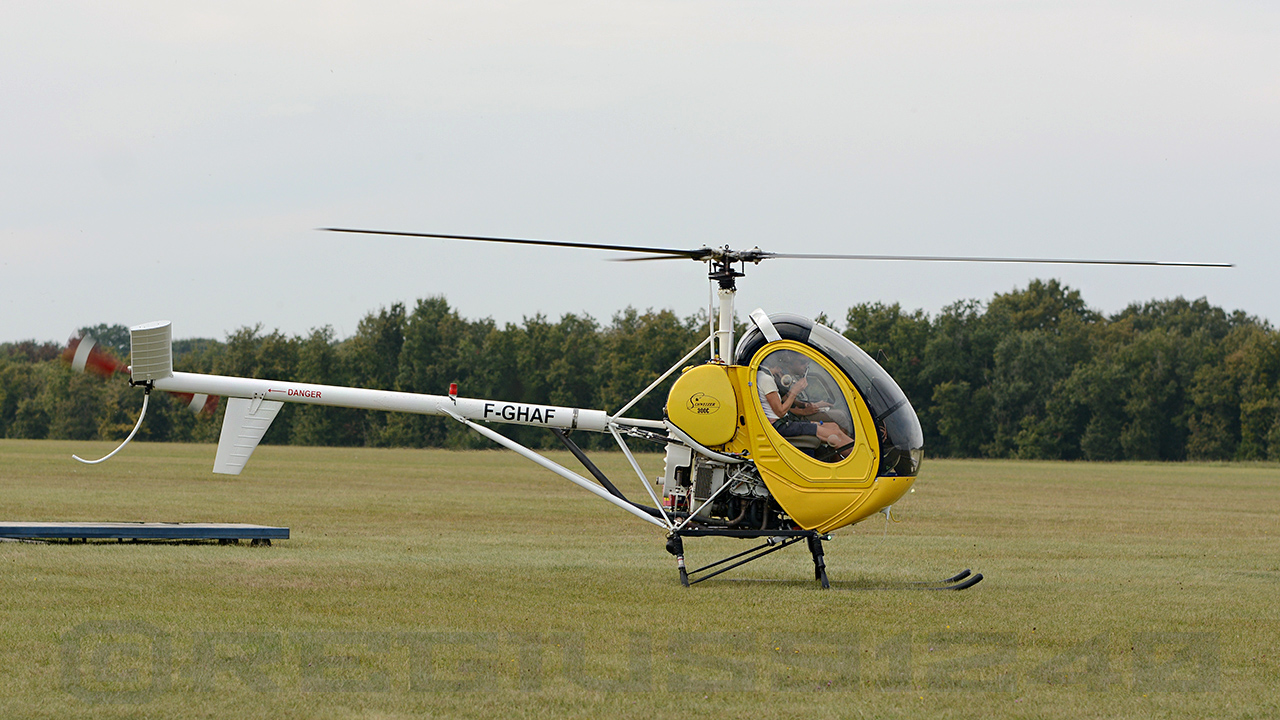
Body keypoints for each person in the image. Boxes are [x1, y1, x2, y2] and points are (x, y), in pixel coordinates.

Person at [756, 352, 855, 460]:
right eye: (782, 367)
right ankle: (859, 458)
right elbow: (780, 412)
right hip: (781, 426)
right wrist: (794, 391)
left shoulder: (763, 376)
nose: (782, 372)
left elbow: (781, 401)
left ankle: (853, 453)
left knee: (833, 426)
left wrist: (802, 403)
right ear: (777, 364)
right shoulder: (766, 379)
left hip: (786, 423)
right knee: (833, 435)